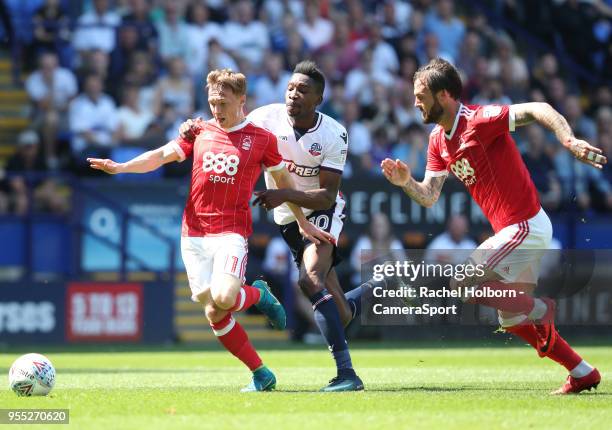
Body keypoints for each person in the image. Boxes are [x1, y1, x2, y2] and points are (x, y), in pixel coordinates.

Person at [88, 69, 331, 392]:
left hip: (230, 232)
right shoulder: (197, 131)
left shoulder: (261, 139)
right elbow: (161, 156)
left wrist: (301, 220)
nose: (217, 109)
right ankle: (260, 372)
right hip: (194, 233)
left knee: (225, 296)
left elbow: (283, 183)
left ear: (241, 101)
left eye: (223, 102)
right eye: (212, 102)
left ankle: (258, 294)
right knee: (213, 309)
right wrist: (122, 167)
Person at [381, 58, 605, 395]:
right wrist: (406, 182)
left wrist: (568, 140)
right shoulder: (437, 141)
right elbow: (428, 196)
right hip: (513, 231)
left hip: (526, 224)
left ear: (444, 95)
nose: (415, 102)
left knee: (462, 282)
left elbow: (540, 108)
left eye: (420, 95)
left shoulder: (479, 120)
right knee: (510, 319)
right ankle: (582, 371)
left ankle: (542, 308)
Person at [243, 61, 366, 391]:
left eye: (303, 90)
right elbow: (228, 129)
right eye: (291, 88)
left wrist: (281, 192)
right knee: (339, 314)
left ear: (318, 99)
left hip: (321, 213)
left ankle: (347, 375)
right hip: (287, 218)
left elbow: (326, 196)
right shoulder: (264, 118)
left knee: (310, 280)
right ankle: (376, 289)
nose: (294, 95)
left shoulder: (333, 133)